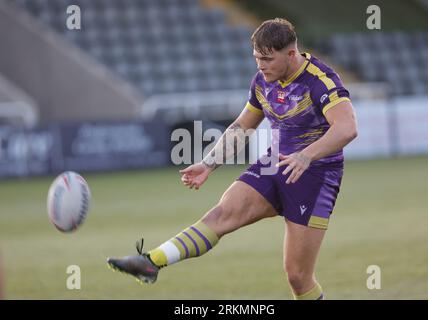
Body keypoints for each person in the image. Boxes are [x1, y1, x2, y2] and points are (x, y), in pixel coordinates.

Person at [107, 18, 358, 300]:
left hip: (315, 175)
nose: (260, 66)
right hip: (273, 164)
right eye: (256, 59)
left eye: (267, 59)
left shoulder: (320, 80)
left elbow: (347, 127)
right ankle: (152, 262)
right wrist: (209, 163)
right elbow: (243, 126)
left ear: (291, 54)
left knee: (298, 277)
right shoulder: (263, 81)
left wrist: (306, 156)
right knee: (221, 214)